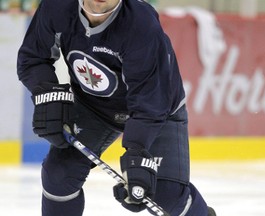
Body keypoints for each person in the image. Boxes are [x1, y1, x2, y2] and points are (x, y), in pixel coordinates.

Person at [17, 0, 216, 215]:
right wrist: (48, 94)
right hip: (92, 107)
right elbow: (32, 58)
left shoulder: (141, 24)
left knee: (164, 195)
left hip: (158, 109)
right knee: (59, 175)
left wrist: (137, 150)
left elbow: (150, 102)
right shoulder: (57, 6)